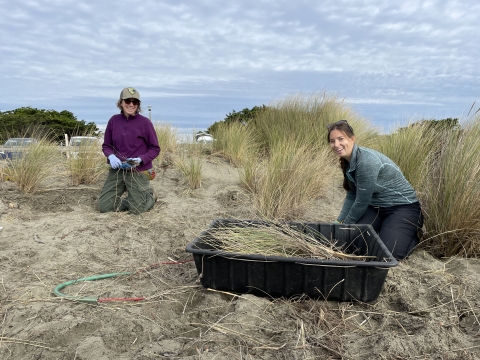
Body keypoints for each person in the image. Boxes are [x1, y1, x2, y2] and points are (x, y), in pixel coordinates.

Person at [327, 120, 423, 260]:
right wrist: (340, 222)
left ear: (352, 138)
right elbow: (352, 194)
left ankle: (409, 236)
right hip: (376, 208)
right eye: (332, 141)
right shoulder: (347, 162)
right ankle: (385, 229)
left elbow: (362, 201)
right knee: (352, 245)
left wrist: (347, 224)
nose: (336, 145)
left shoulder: (366, 161)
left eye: (341, 139)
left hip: (402, 208)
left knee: (387, 255)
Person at [99, 87, 160, 215]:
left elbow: (155, 148)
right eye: (127, 101)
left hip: (137, 170)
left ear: (138, 104)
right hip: (118, 170)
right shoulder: (114, 121)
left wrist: (141, 159)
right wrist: (111, 156)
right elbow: (106, 145)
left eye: (135, 102)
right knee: (104, 207)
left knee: (137, 210)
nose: (131, 104)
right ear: (121, 102)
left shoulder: (145, 123)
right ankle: (132, 200)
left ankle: (149, 197)